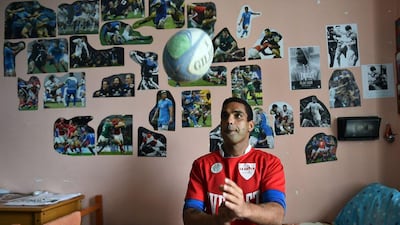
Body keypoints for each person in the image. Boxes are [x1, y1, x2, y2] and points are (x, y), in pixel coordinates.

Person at [183, 97, 286, 225]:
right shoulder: (201, 165)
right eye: (225, 116)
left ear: (250, 126)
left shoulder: (270, 163)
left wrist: (244, 209)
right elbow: (189, 217)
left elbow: (277, 215)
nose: (229, 121)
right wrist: (218, 220)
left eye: (238, 116)